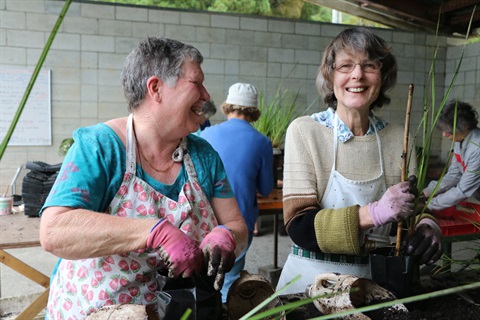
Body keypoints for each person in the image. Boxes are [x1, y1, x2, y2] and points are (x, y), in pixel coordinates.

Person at [39, 37, 247, 319]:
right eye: (196, 83)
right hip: (99, 312)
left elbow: (236, 224)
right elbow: (54, 231)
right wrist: (153, 233)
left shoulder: (204, 156)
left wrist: (226, 237)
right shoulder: (101, 148)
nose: (206, 95)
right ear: (156, 88)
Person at [276, 27, 443, 294]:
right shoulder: (305, 131)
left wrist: (427, 226)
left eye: (369, 65)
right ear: (330, 76)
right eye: (346, 65)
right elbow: (300, 227)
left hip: (377, 285)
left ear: (382, 75)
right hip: (311, 285)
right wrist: (374, 213)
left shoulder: (400, 138)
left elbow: (413, 209)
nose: (357, 75)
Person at [201, 82, 274, 302]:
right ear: (254, 110)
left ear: (227, 106)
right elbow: (266, 188)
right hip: (238, 226)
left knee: (202, 281)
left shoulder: (205, 135)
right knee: (228, 279)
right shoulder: (262, 142)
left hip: (204, 222)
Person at [423, 100, 480, 211]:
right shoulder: (459, 141)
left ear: (465, 126)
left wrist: (429, 205)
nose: (444, 134)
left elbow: (462, 190)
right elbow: (454, 174)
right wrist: (428, 191)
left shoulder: (477, 148)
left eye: (448, 130)